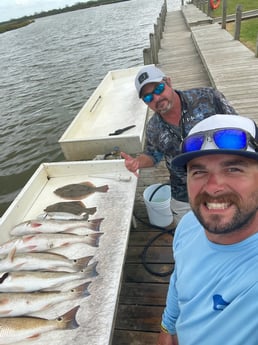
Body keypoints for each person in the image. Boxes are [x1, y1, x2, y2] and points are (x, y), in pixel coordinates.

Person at [157, 114, 258, 345]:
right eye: (199, 172)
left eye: (233, 169)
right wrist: (167, 327)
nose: (213, 187)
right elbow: (179, 279)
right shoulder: (189, 224)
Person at [120, 65, 237, 224]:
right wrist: (137, 162)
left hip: (223, 183)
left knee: (230, 229)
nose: (156, 98)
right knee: (187, 235)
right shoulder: (154, 127)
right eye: (148, 98)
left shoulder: (208, 97)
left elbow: (239, 128)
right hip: (183, 193)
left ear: (168, 82)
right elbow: (153, 156)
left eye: (159, 88)